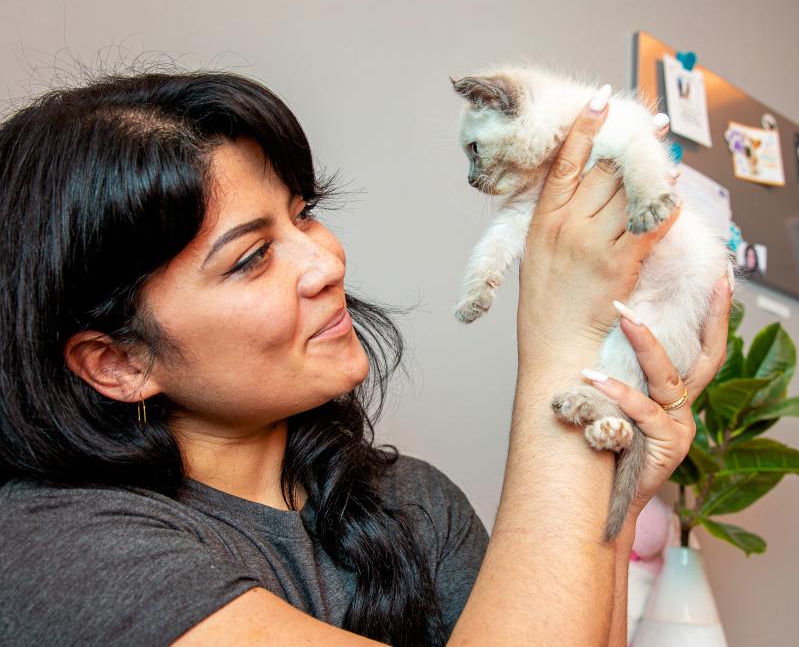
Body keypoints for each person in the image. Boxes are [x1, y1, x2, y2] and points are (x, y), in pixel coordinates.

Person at [0, 71, 731, 646]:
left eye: (304, 214)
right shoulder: (49, 550)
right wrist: (563, 349)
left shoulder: (413, 504)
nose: (326, 261)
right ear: (117, 363)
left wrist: (618, 501)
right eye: (252, 258)